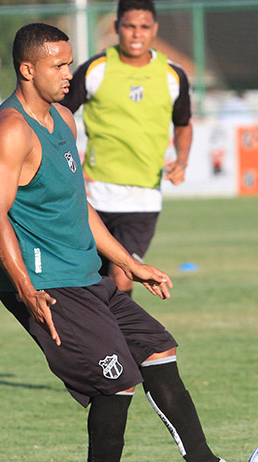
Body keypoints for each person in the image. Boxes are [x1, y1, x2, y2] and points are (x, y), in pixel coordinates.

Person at [0, 22, 246, 462]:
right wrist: (25, 288)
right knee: (118, 381)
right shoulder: (10, 130)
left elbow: (78, 205)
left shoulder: (63, 118)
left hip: (87, 276)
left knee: (158, 349)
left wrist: (129, 263)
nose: (68, 73)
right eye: (58, 65)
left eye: (69, 63)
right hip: (48, 284)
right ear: (27, 70)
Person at [62, 0, 192, 297]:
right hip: (94, 195)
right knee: (90, 280)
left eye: (144, 27)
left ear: (154, 29)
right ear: (116, 26)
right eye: (130, 26)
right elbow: (58, 115)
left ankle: (116, 330)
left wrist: (182, 161)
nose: (136, 34)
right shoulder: (95, 69)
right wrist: (69, 163)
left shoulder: (173, 75)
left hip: (142, 199)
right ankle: (103, 329)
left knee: (122, 276)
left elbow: (184, 124)